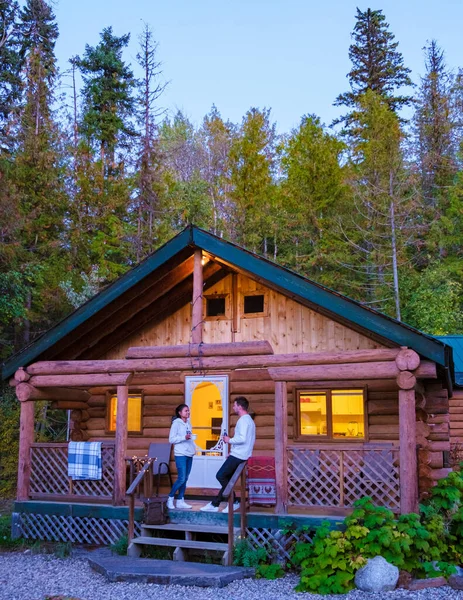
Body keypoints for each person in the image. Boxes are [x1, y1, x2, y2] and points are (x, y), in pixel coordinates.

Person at [200, 396, 256, 513]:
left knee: (220, 476)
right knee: (228, 480)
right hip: (239, 454)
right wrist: (232, 451)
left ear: (240, 407)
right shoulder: (249, 420)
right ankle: (215, 504)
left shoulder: (244, 420)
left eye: (235, 405)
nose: (233, 407)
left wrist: (228, 440)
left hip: (239, 455)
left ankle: (234, 502)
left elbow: (242, 438)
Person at [167, 403, 196, 510]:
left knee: (186, 478)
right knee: (181, 478)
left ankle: (180, 500)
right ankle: (170, 498)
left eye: (188, 411)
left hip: (189, 453)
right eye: (185, 411)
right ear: (180, 413)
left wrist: (193, 448)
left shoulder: (188, 423)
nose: (188, 412)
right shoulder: (176, 424)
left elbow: (188, 438)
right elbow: (171, 439)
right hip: (180, 454)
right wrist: (184, 437)